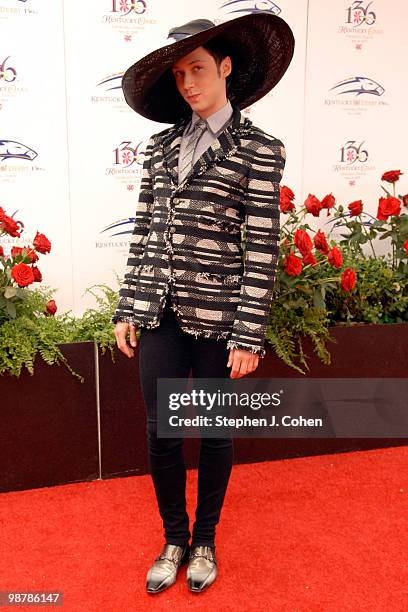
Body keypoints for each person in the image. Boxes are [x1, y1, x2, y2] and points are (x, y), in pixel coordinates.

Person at [112, 13, 295, 594]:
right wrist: (127, 304)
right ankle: (173, 536)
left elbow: (262, 246)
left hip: (219, 323)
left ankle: (206, 540)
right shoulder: (161, 148)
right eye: (179, 73)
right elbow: (144, 232)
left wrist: (249, 333)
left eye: (197, 69)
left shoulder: (260, 149)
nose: (188, 83)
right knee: (162, 432)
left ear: (226, 67)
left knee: (213, 433)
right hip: (158, 315)